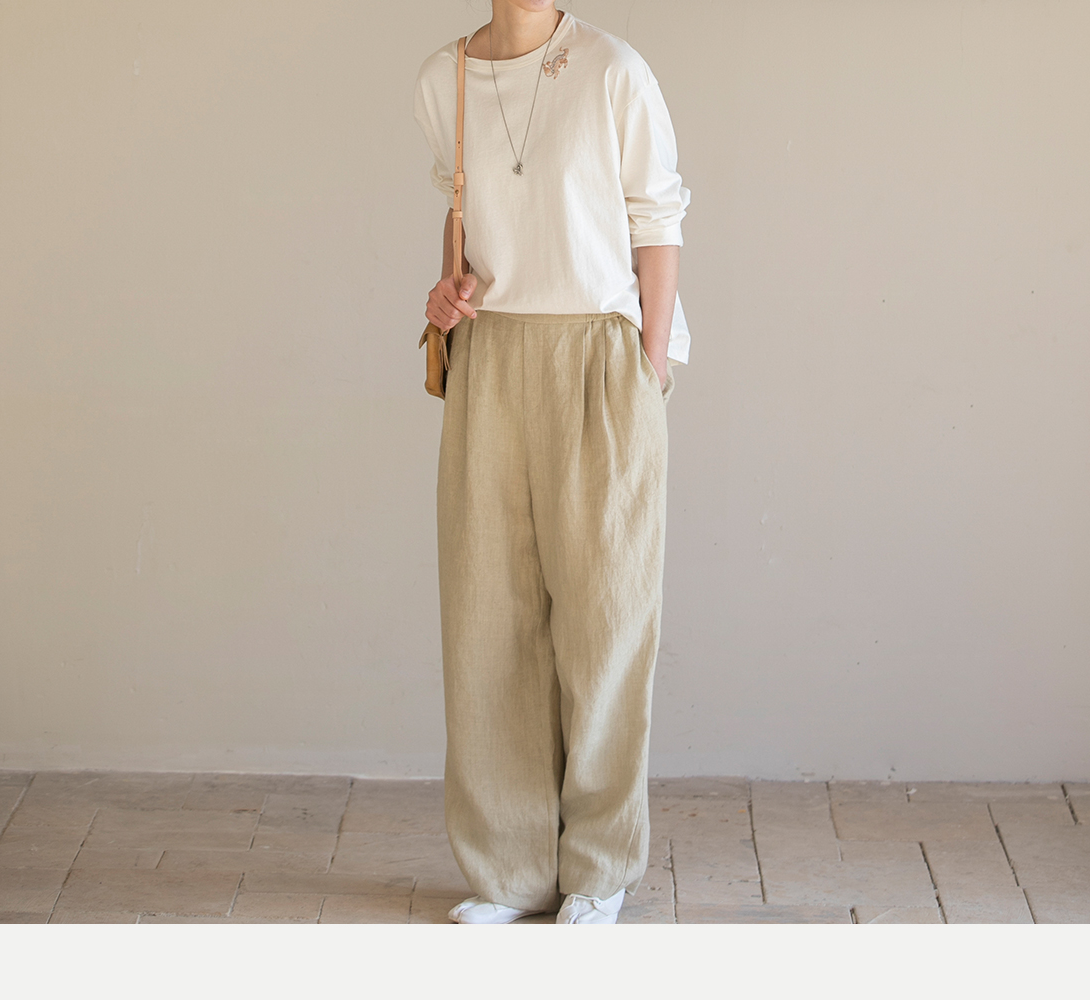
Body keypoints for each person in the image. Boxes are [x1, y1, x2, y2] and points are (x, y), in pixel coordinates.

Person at [412, 0, 690, 924]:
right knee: (487, 616)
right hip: (493, 356)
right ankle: (509, 871)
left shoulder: (615, 71)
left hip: (598, 357)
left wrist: (648, 366)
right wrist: (447, 296)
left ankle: (599, 869)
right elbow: (464, 215)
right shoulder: (444, 77)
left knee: (606, 621)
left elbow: (657, 220)